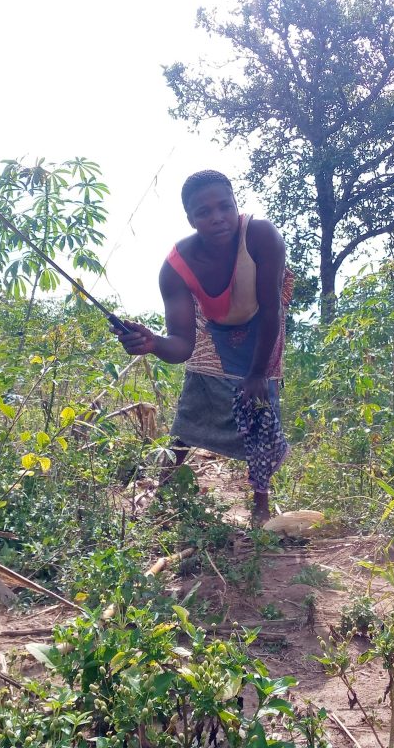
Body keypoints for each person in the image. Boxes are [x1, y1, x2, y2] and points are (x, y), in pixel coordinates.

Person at [113, 170, 292, 525]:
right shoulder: (176, 267)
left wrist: (258, 373)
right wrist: (152, 344)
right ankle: (161, 489)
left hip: (263, 321)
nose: (217, 218)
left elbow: (272, 309)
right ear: (190, 218)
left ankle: (260, 503)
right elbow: (181, 347)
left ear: (236, 205)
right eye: (203, 212)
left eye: (224, 206)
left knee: (260, 409)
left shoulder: (261, 236)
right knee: (194, 404)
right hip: (212, 326)